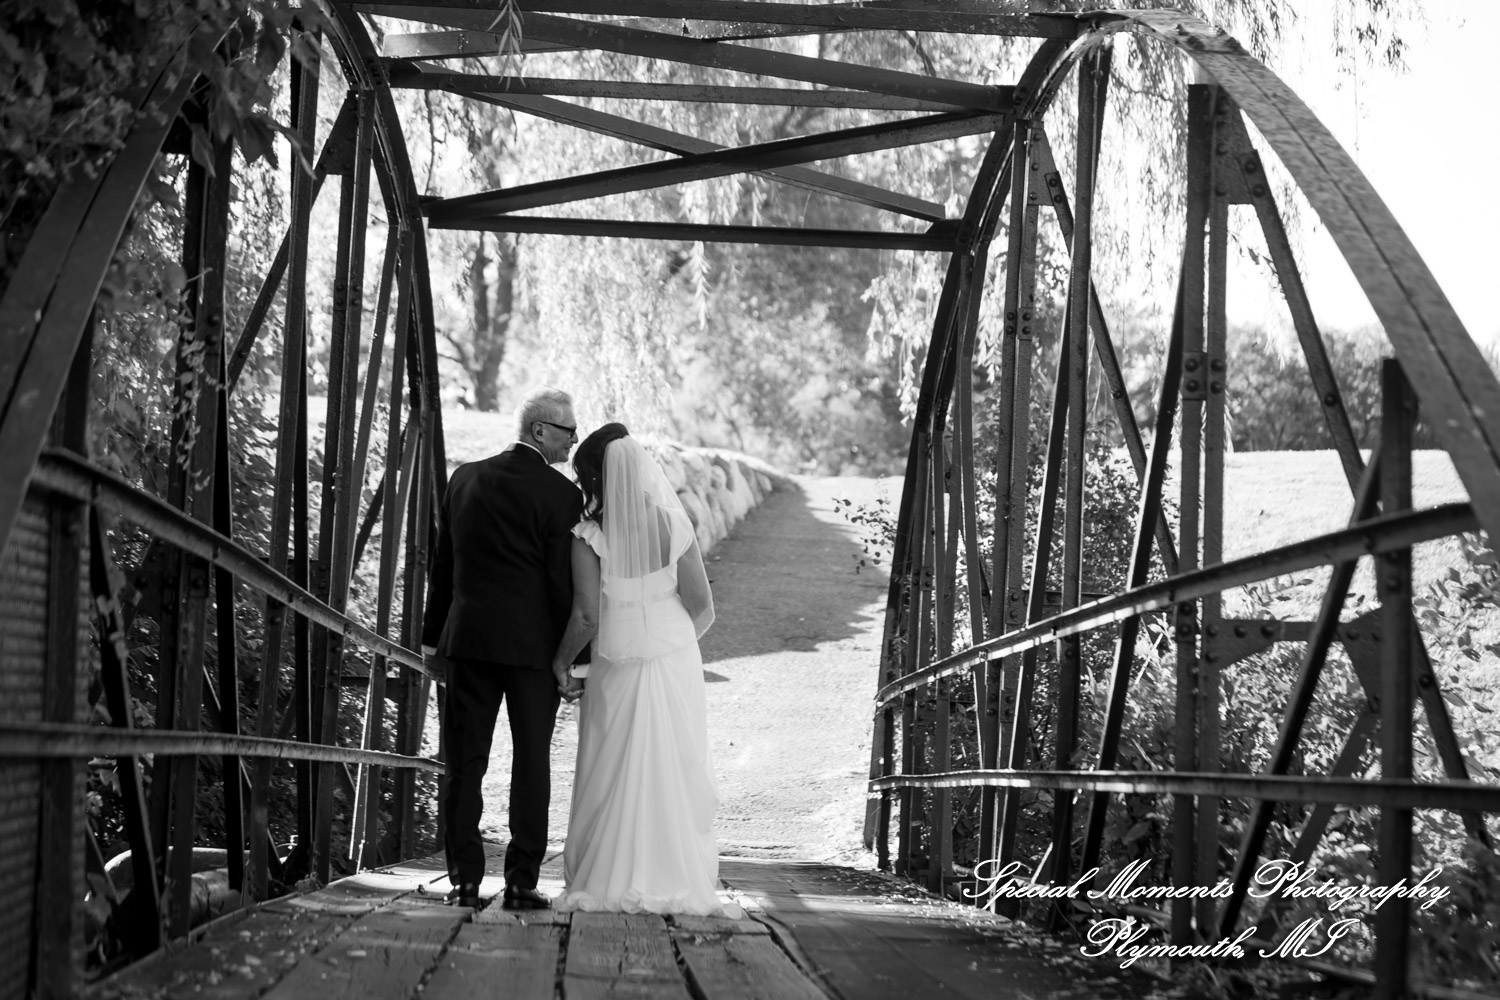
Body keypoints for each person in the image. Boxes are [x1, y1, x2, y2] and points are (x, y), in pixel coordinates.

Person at [548, 424, 744, 917]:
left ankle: (607, 875)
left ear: (596, 476)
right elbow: (703, 607)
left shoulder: (589, 534)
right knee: (674, 763)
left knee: (610, 766)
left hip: (614, 666)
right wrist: (671, 647)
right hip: (676, 661)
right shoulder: (674, 524)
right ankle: (674, 873)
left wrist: (560, 663)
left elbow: (587, 615)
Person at [422, 386, 584, 910]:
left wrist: (431, 640)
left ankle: (464, 880)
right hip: (534, 652)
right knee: (531, 762)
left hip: (468, 642)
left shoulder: (465, 478)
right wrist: (573, 659)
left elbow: (443, 565)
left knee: (464, 763)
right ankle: (520, 882)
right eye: (567, 431)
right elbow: (563, 586)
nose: (573, 441)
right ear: (540, 430)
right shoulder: (562, 496)